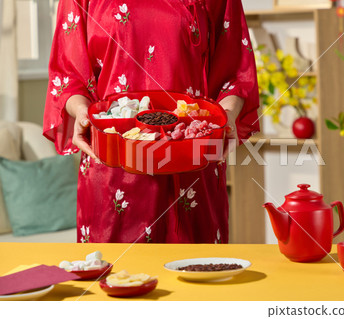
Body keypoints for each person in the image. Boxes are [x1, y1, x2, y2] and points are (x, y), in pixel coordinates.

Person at [43, 0, 260, 243]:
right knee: (116, 275)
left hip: (192, 165)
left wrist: (226, 117)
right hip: (114, 167)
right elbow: (67, 77)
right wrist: (82, 112)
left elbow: (236, 74)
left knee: (198, 271)